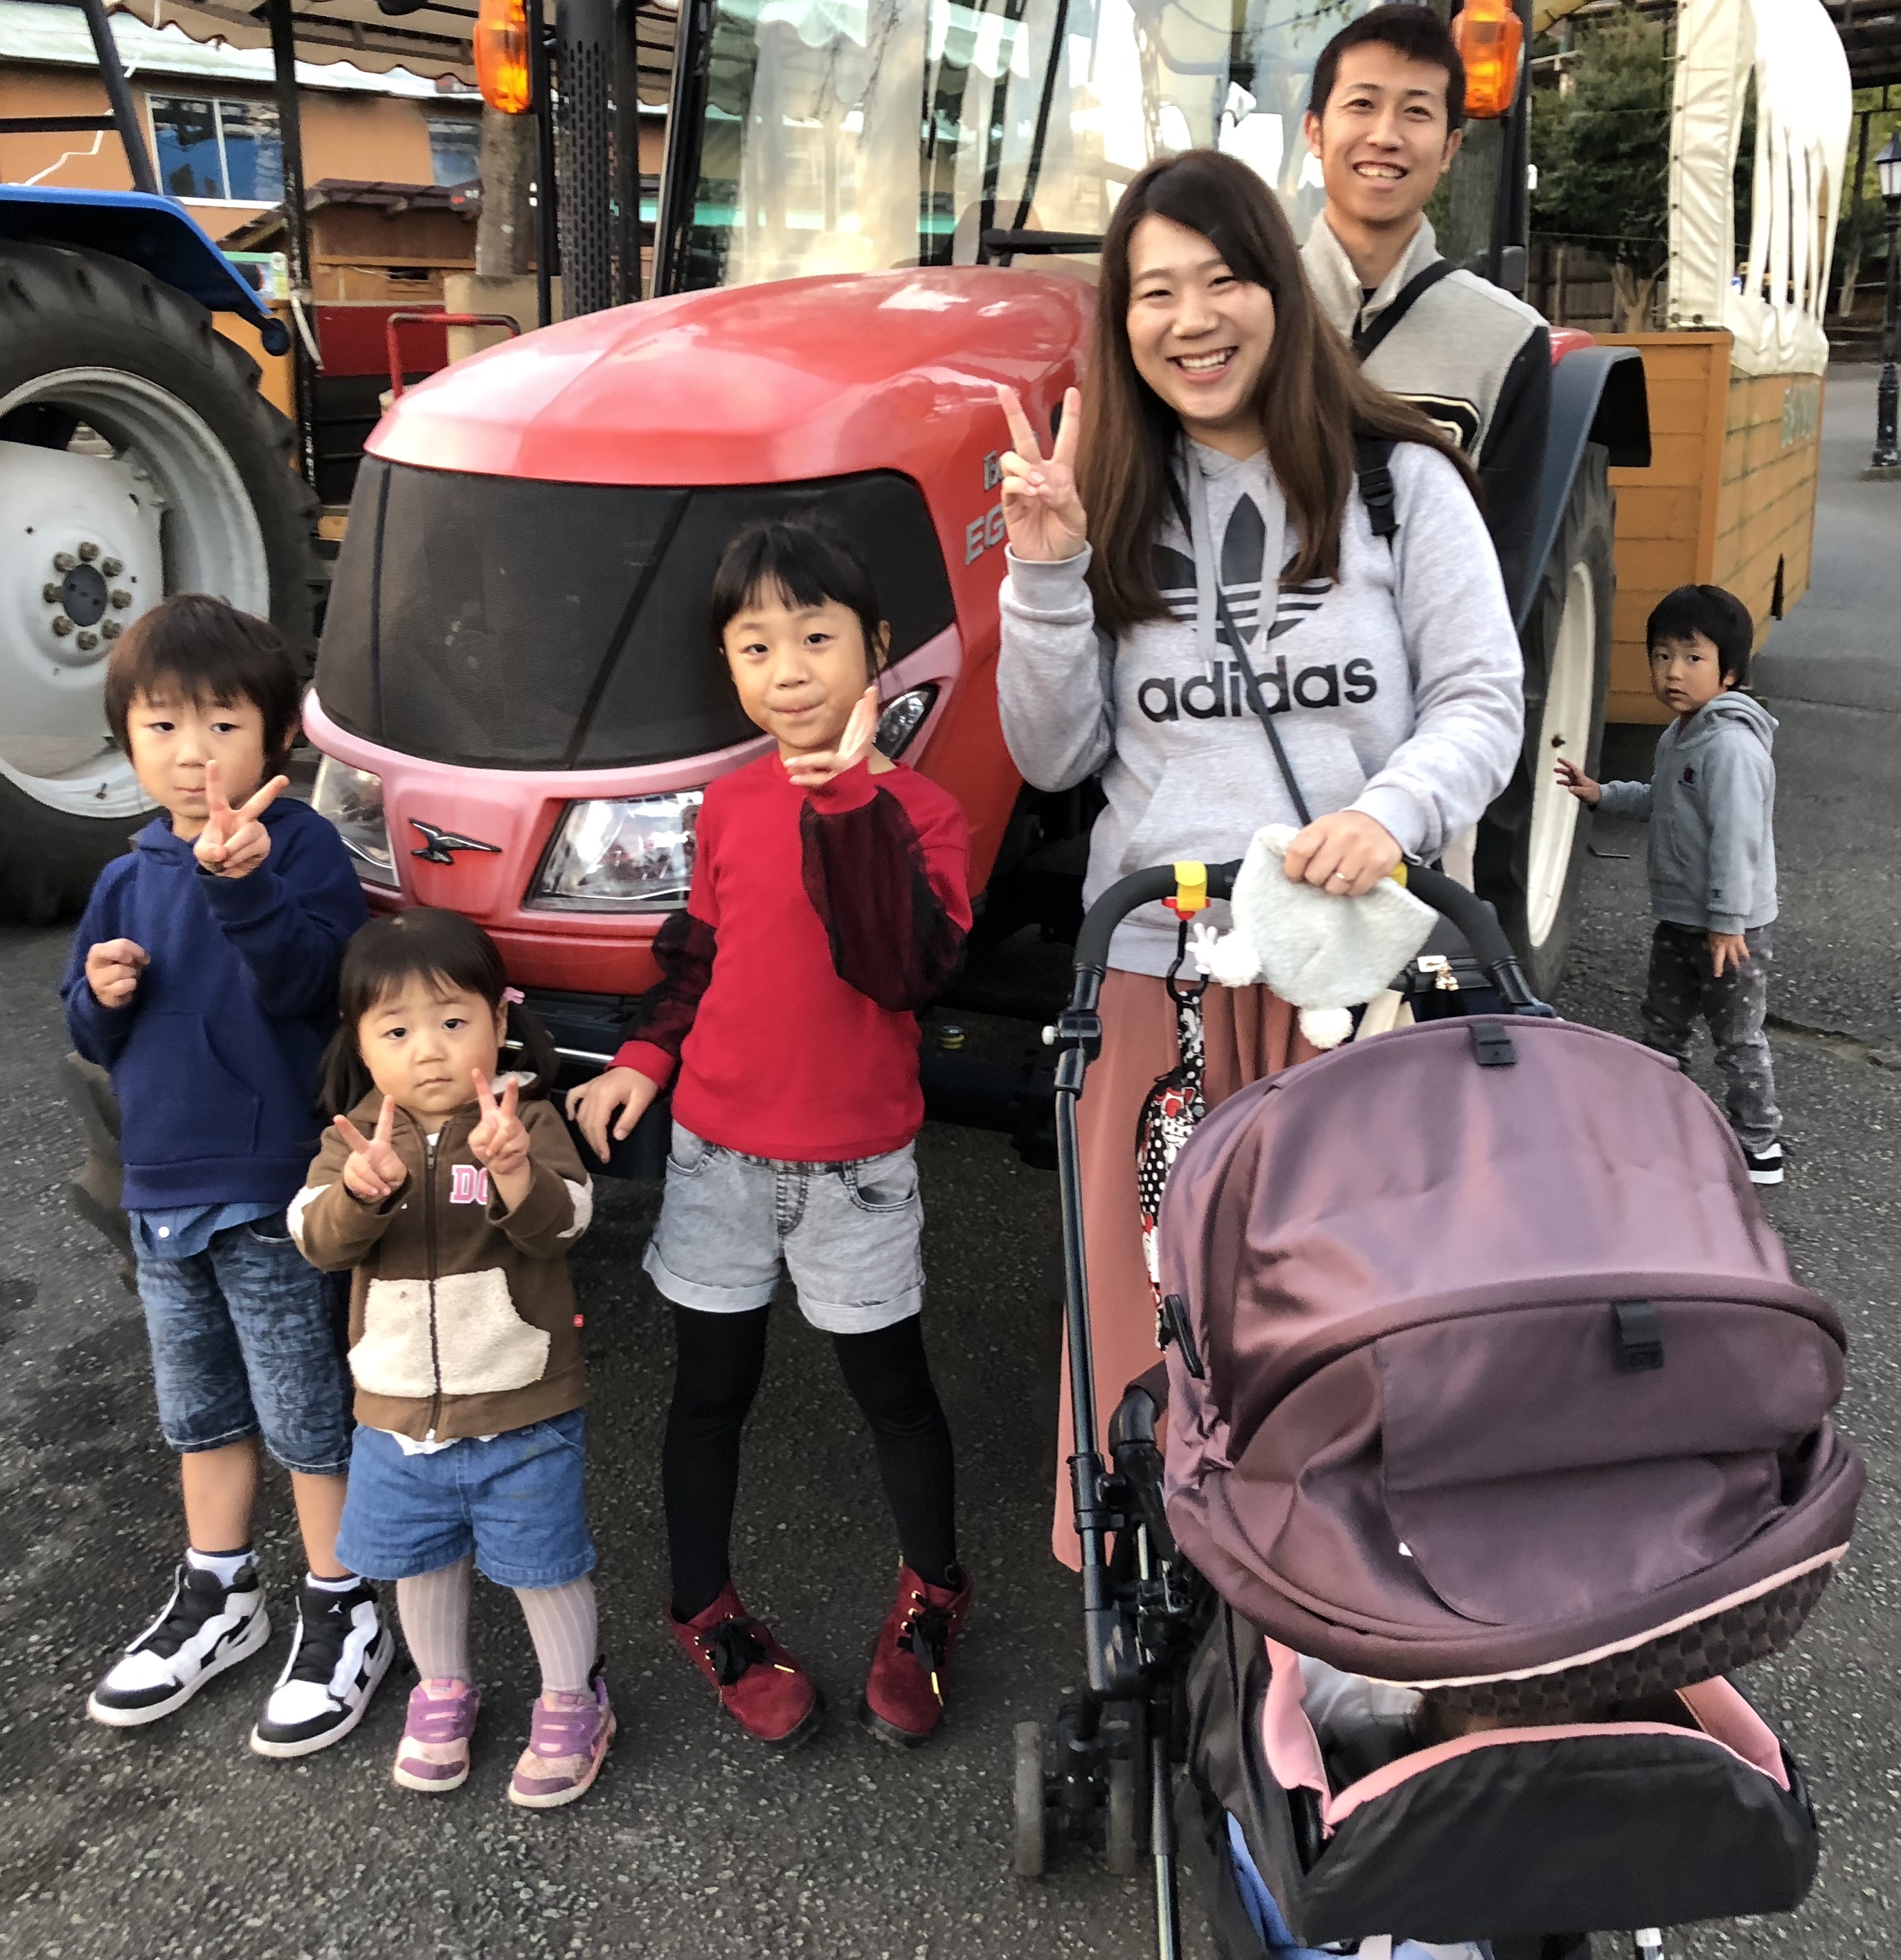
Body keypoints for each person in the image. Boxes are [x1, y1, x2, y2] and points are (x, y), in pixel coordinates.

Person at [993, 148, 1524, 1559]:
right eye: (1152, 291)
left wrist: (1390, 812)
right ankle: (1167, 1593)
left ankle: (1347, 1603)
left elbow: (1482, 698)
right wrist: (1043, 569)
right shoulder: (1103, 497)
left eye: (1221, 277)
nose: (1190, 318)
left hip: (1348, 983)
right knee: (1152, 1318)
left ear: (1279, 291)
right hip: (1159, 975)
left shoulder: (1398, 484)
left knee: (1355, 1323)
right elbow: (1052, 754)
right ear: (1121, 323)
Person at [566, 517, 973, 1753]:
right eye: (755, 645)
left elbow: (903, 968)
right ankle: (704, 1608)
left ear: (876, 646)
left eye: (814, 637)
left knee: (893, 1391)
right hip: (718, 1157)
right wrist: (643, 1060)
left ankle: (933, 1594)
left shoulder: (923, 814)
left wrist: (846, 802)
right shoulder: (729, 806)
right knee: (710, 1392)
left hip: (857, 1169)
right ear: (728, 664)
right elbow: (696, 957)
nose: (787, 669)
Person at [60, 593, 389, 1755]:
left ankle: (345, 1600)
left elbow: (318, 986)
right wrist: (98, 993)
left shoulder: (297, 845)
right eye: (162, 726)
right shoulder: (126, 873)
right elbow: (88, 1030)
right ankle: (220, 1587)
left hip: (268, 1189)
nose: (192, 753)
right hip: (159, 1192)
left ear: (278, 735)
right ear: (126, 739)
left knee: (306, 1411)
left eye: (221, 724)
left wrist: (244, 886)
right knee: (198, 1410)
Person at [292, 908, 609, 1807]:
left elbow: (567, 1224)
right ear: (360, 1041)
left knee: (546, 1564)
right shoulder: (353, 1138)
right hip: (395, 1413)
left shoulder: (525, 1118)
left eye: (453, 1019)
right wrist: (358, 1196)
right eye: (396, 1030)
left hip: (521, 1404)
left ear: (498, 1022)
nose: (428, 1049)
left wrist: (514, 1171)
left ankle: (572, 1698)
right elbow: (315, 1240)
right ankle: (442, 1690)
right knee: (420, 1559)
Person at [1299, 4, 1551, 616]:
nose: (1385, 135)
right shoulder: (1243, 310)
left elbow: (1496, 575)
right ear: (1315, 132)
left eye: (1416, 112)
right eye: (1362, 104)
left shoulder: (1507, 342)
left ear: (1449, 148)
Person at [1556, 585, 1783, 1185]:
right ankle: (1660, 1121)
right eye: (1661, 656)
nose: (1672, 672)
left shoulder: (1731, 747)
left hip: (1731, 929)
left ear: (1729, 672)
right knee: (1662, 1025)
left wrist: (1727, 923)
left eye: (1692, 657)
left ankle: (1759, 1144)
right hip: (1680, 917)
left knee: (1736, 1036)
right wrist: (1602, 794)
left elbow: (1738, 841)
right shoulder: (1680, 734)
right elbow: (1663, 801)